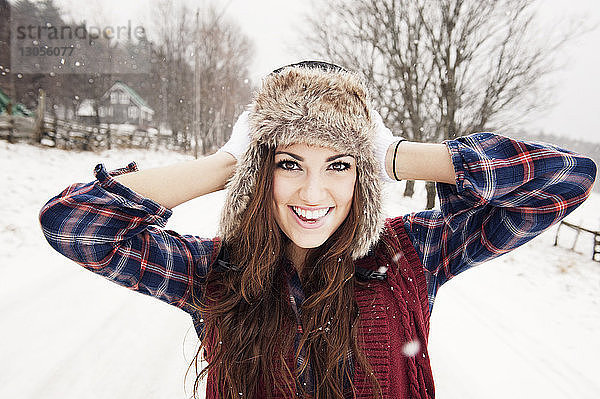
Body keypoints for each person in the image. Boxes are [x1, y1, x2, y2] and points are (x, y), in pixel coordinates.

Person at [39, 61, 597, 399]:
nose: (312, 194)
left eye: (339, 165)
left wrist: (395, 153)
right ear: (263, 174)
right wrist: (231, 162)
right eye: (289, 163)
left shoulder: (412, 256)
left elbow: (567, 177)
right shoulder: (214, 273)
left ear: (364, 175)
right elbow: (76, 223)